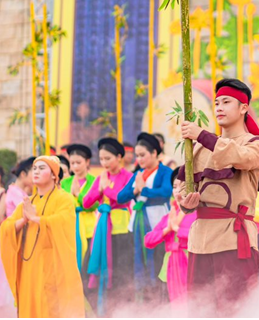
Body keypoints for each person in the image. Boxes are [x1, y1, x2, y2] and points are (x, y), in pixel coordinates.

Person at [177, 78, 259, 316]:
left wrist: (202, 135)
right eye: (217, 102)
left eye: (226, 102)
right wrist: (185, 203)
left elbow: (239, 156)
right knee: (200, 309)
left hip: (233, 237)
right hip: (199, 239)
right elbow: (182, 188)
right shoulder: (197, 148)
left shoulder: (257, 144)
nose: (219, 107)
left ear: (244, 107)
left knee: (237, 308)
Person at [0, 156, 85, 317]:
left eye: (42, 168)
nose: (36, 172)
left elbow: (64, 222)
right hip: (29, 268)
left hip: (52, 267)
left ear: (54, 175)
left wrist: (36, 219)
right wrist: (23, 220)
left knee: (51, 308)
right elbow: (6, 228)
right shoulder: (27, 202)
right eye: (35, 168)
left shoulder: (63, 199)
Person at [117, 132, 173, 303]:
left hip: (159, 222)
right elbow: (120, 197)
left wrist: (144, 191)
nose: (139, 159)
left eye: (143, 155)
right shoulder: (138, 174)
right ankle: (142, 296)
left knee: (157, 258)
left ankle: (158, 296)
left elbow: (166, 192)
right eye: (137, 155)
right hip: (139, 222)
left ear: (154, 153)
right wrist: (135, 190)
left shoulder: (165, 171)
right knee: (138, 257)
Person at [82, 138, 133, 316]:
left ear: (119, 157)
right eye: (101, 159)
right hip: (102, 230)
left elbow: (123, 197)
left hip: (121, 229)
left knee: (120, 272)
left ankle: (120, 311)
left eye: (108, 158)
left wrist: (107, 190)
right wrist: (100, 189)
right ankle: (101, 311)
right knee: (89, 271)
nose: (104, 163)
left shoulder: (128, 176)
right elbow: (87, 202)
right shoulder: (101, 177)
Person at [144, 170, 197, 306]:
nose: (177, 190)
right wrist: (167, 229)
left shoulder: (198, 214)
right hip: (170, 267)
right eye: (174, 187)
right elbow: (148, 241)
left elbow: (200, 237)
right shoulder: (169, 217)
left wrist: (178, 230)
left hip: (189, 264)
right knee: (168, 306)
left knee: (191, 303)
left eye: (182, 186)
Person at [0, 157, 35, 317]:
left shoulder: (21, 192)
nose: (36, 176)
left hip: (19, 240)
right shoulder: (14, 193)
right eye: (34, 172)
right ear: (23, 174)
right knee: (9, 280)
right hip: (13, 241)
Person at [60, 144, 98, 274]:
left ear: (87, 162)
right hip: (69, 228)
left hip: (88, 228)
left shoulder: (94, 181)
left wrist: (78, 195)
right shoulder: (65, 182)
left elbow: (94, 205)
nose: (75, 166)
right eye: (72, 163)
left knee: (86, 263)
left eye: (78, 162)